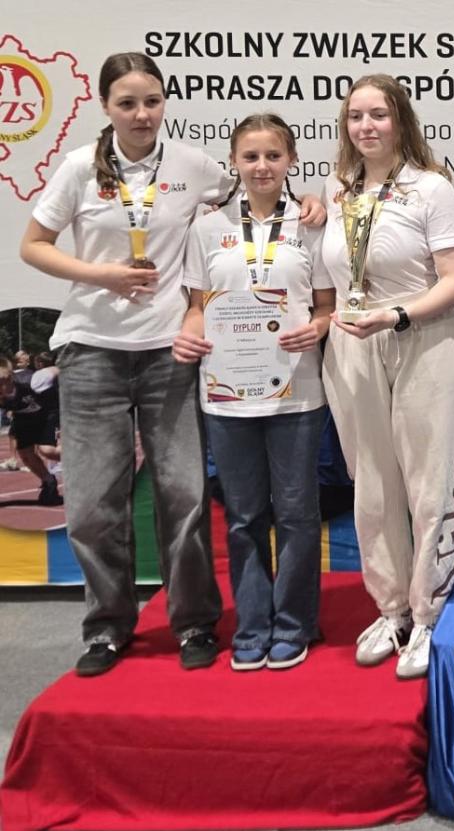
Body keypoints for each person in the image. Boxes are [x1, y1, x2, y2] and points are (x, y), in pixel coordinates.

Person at [17, 53, 316, 677]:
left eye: (151, 101)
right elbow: (33, 246)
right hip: (93, 348)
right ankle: (107, 627)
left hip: (171, 351)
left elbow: (258, 190)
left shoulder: (190, 164)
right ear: (106, 106)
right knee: (93, 505)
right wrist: (99, 273)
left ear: (164, 103)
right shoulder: (78, 167)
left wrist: (307, 203)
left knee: (183, 498)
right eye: (127, 103)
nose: (141, 114)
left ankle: (194, 623)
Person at [319, 74, 454, 679]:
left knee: (429, 484)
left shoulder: (431, 188)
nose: (366, 126)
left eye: (378, 114)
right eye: (356, 116)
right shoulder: (335, 189)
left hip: (420, 337)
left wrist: (398, 314)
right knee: (373, 485)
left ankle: (429, 613)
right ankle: (391, 610)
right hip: (352, 346)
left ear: (400, 120)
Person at [173, 113, 334, 672]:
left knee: (296, 513)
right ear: (234, 163)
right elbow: (196, 307)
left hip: (297, 391)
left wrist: (318, 328)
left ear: (291, 160)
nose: (262, 166)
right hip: (226, 392)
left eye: (272, 155)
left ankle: (293, 623)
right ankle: (251, 624)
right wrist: (190, 333)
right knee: (243, 516)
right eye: (250, 156)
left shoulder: (311, 223)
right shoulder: (207, 227)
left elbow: (326, 305)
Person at [0, 356, 61, 505]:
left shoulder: (33, 379)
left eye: (3, 381)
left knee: (47, 450)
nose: (2, 387)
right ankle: (49, 481)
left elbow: (59, 369)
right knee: (26, 455)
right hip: (24, 417)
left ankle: (84, 455)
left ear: (10, 376)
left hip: (48, 412)